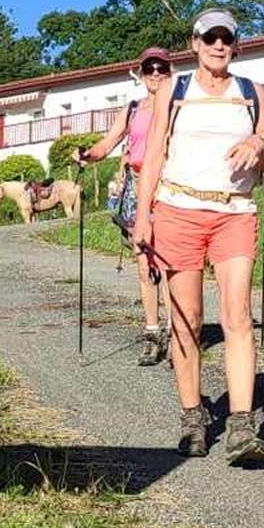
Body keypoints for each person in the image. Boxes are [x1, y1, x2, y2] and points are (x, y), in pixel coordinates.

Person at [134, 10, 264, 463]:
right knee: (188, 319)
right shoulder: (174, 91)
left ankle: (240, 424)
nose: (219, 45)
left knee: (237, 315)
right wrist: (143, 216)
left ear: (235, 45)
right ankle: (193, 416)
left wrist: (259, 145)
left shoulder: (251, 92)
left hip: (235, 212)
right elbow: (154, 153)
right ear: (195, 43)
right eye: (210, 38)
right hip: (179, 210)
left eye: (227, 38)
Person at [77, 46, 174, 366]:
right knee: (144, 261)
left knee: (171, 262)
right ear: (142, 72)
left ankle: (178, 336)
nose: (156, 73)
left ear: (170, 70)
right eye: (150, 68)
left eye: (162, 68)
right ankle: (152, 331)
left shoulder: (178, 105)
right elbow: (108, 143)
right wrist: (88, 155)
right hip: (136, 187)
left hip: (170, 185)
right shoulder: (133, 108)